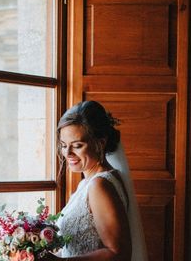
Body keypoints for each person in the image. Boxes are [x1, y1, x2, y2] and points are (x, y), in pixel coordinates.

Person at [46, 100, 147, 261]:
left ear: (100, 143)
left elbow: (117, 253)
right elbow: (75, 250)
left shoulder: (99, 185)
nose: (68, 153)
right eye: (64, 145)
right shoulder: (89, 182)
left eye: (77, 145)